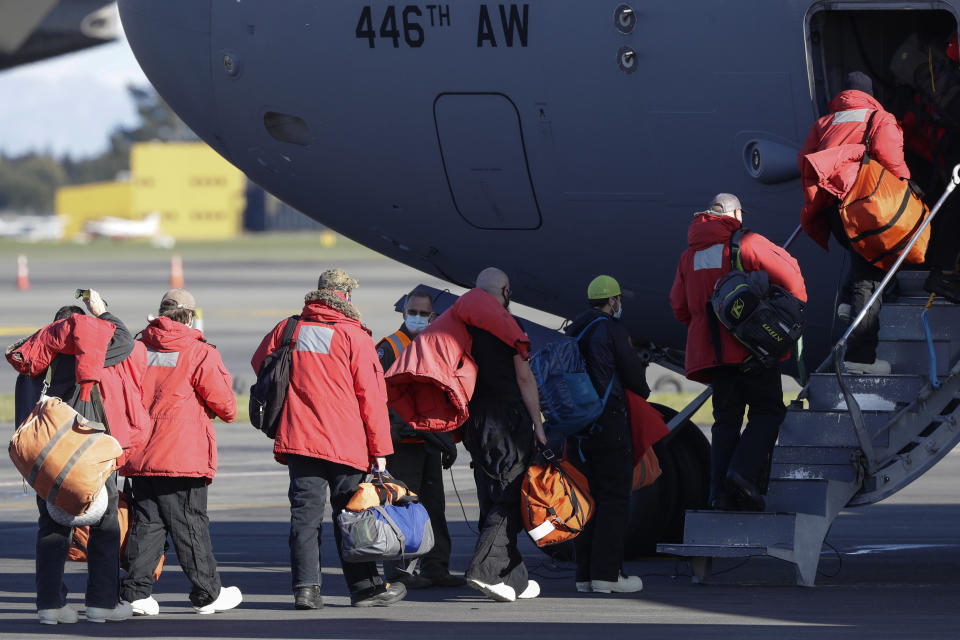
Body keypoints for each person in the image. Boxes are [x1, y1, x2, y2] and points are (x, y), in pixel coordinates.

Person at [251, 269, 403, 609]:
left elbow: (261, 362)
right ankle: (365, 589)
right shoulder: (354, 336)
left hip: (300, 439)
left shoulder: (289, 328)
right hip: (345, 443)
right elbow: (372, 398)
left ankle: (305, 590)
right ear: (346, 297)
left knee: (304, 518)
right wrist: (380, 450)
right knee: (352, 517)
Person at [7, 291, 150, 625]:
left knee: (52, 528)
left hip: (44, 459)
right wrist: (101, 311)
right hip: (88, 452)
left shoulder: (35, 360)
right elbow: (125, 339)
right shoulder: (94, 352)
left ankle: (49, 605)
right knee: (105, 523)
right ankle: (102, 603)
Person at [670, 194, 807, 511]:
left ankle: (719, 494)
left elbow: (680, 308)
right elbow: (793, 278)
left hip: (715, 358)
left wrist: (708, 328)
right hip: (752, 349)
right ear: (733, 213)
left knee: (725, 421)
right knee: (768, 411)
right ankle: (742, 476)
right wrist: (784, 316)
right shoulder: (747, 243)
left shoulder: (688, 257)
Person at [120, 289, 241, 615]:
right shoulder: (200, 352)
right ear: (190, 316)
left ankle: (135, 593)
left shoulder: (137, 347)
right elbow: (227, 406)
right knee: (190, 524)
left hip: (141, 452)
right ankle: (208, 593)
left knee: (147, 524)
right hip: (181, 455)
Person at [798, 71, 910, 374]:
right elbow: (892, 161)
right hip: (863, 206)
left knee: (860, 258)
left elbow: (807, 163)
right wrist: (906, 188)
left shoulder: (824, 123)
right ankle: (861, 359)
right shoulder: (879, 118)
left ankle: (848, 301)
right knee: (870, 275)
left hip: (834, 209)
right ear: (869, 93)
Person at [460, 268, 546, 602]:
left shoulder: (464, 327)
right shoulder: (510, 326)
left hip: (474, 421)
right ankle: (484, 571)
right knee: (511, 495)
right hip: (507, 420)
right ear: (506, 292)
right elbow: (525, 379)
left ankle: (515, 578)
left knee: (490, 492)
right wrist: (539, 424)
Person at [563, 275, 649, 594]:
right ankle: (607, 575)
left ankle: (584, 576)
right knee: (614, 500)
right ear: (612, 301)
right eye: (618, 300)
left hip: (577, 432)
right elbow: (636, 381)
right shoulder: (612, 330)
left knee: (587, 500)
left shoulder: (573, 330)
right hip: (609, 426)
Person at [376, 289, 464, 589]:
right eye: (412, 312)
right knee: (402, 507)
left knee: (434, 507)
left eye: (423, 313)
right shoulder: (388, 348)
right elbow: (376, 397)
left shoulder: (435, 346)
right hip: (401, 443)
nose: (417, 317)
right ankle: (398, 571)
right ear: (403, 314)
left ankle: (436, 566)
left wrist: (446, 437)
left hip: (429, 441)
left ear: (433, 316)